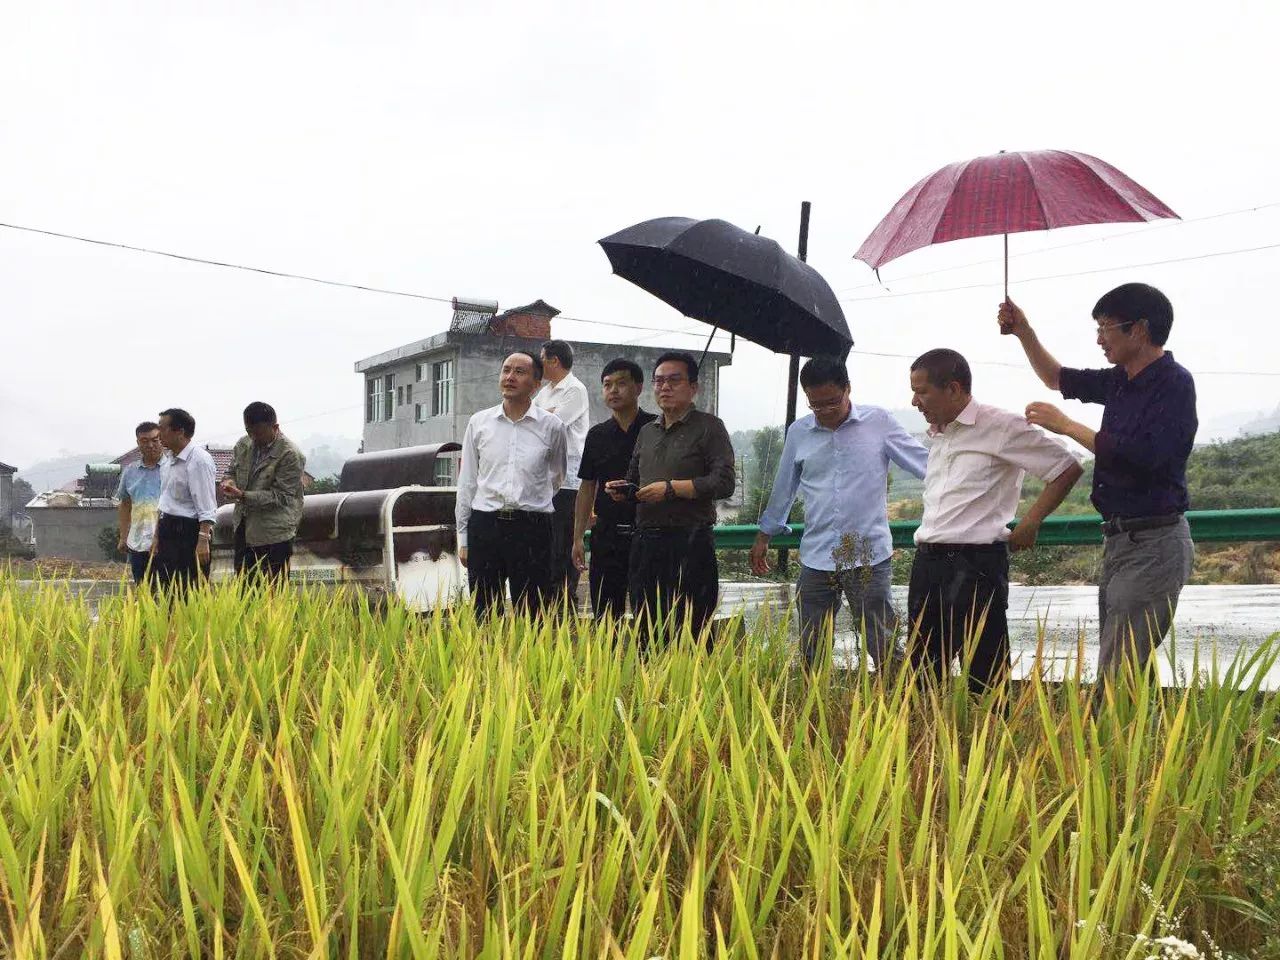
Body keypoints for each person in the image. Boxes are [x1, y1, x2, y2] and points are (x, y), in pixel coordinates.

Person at [999, 284, 1197, 682]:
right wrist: (1023, 331)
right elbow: (1057, 379)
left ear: (1138, 330)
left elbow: (1145, 456)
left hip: (1153, 542)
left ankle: (1115, 741)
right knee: (1125, 666)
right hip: (1122, 540)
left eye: (1106, 328)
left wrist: (1067, 427)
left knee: (1118, 670)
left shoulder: (1173, 383)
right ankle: (1143, 741)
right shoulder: (1121, 380)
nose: (1099, 338)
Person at [908, 349, 1083, 694]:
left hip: (975, 563)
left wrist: (1031, 522)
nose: (915, 401)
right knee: (922, 673)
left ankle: (989, 744)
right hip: (928, 562)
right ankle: (927, 744)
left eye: (922, 391)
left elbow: (1066, 467)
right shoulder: (939, 434)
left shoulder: (1000, 426)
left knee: (985, 676)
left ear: (954, 389)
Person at [750, 356, 929, 670]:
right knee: (812, 645)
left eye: (832, 402)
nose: (825, 411)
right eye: (815, 405)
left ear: (848, 389)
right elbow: (784, 487)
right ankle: (813, 709)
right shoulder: (799, 432)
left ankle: (901, 706)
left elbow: (926, 465)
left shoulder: (879, 423)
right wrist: (764, 535)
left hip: (867, 554)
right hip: (817, 556)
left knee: (882, 640)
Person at [607, 352, 735, 648]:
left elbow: (724, 482)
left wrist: (673, 488)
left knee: (692, 628)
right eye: (659, 381)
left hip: (690, 542)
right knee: (646, 627)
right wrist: (625, 490)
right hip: (647, 542)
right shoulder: (647, 431)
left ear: (694, 387)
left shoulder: (709, 427)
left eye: (674, 380)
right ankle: (650, 690)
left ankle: (691, 690)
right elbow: (635, 480)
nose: (665, 387)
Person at [456, 352, 568, 619]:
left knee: (533, 613)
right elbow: (468, 481)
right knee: (484, 610)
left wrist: (530, 499)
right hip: (486, 525)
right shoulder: (479, 423)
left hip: (532, 527)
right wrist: (463, 536)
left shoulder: (552, 427)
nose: (509, 377)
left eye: (519, 372)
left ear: (536, 383)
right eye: (506, 370)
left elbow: (557, 476)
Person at [573, 359, 657, 619]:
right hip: (607, 535)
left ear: (639, 387)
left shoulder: (656, 428)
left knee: (652, 613)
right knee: (606, 616)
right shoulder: (597, 435)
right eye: (607, 385)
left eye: (621, 383)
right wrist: (577, 538)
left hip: (649, 532)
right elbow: (587, 487)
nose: (613, 390)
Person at [220, 401, 306, 582]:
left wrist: (242, 495)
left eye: (258, 433)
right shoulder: (244, 444)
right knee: (244, 587)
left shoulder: (290, 454)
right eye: (249, 432)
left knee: (273, 591)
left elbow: (281, 496)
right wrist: (228, 481)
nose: (253, 437)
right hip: (244, 527)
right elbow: (231, 471)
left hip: (274, 533)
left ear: (275, 427)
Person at [535, 339, 591, 608]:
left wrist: (539, 414)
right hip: (545, 475)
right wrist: (540, 413)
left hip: (569, 477)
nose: (540, 363)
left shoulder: (575, 389)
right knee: (548, 537)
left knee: (565, 537)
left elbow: (553, 422)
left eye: (542, 358)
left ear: (554, 360)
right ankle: (550, 590)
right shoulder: (545, 391)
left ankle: (566, 593)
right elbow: (533, 415)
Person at [153, 408, 219, 595]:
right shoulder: (168, 459)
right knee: (166, 590)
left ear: (179, 431)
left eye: (162, 428)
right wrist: (157, 535)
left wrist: (203, 539)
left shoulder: (198, 460)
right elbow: (165, 499)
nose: (159, 434)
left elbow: (206, 504)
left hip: (189, 532)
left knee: (190, 590)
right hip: (168, 529)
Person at [114, 421, 167, 586]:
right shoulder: (130, 471)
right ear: (138, 443)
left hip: (166, 543)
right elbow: (125, 504)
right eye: (145, 441)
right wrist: (123, 536)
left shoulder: (172, 468)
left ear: (162, 440)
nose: (150, 445)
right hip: (137, 543)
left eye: (155, 440)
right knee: (143, 590)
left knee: (168, 592)